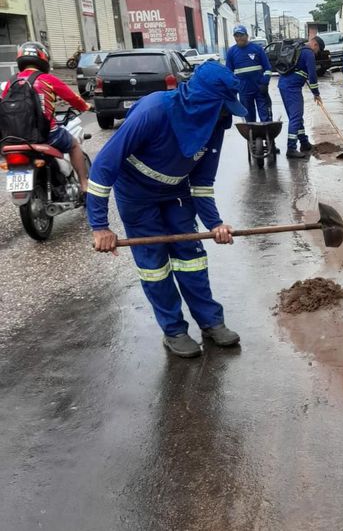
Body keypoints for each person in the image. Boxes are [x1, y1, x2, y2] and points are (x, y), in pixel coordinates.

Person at [87, 62, 248, 358]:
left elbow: (202, 181)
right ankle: (173, 330)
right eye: (222, 106)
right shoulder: (154, 111)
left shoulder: (213, 123)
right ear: (202, 101)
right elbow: (103, 166)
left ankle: (211, 322)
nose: (226, 114)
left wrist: (215, 223)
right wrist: (99, 226)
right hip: (137, 196)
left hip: (176, 193)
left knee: (191, 258)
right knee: (155, 264)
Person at [2, 42, 90, 192]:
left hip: (14, 137)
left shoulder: (11, 81)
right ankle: (84, 184)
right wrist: (86, 106)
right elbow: (73, 98)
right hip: (47, 136)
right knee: (74, 145)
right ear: (43, 59)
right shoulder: (47, 79)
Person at [278, 35, 323, 159]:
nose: (317, 53)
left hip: (284, 85)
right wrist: (316, 94)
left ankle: (304, 143)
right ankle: (291, 148)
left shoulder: (299, 49)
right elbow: (313, 75)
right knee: (296, 117)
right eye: (318, 50)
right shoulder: (309, 54)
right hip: (291, 88)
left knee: (296, 116)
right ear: (315, 45)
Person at [225, 24, 273, 123]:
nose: (239, 38)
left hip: (259, 89)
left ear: (246, 36)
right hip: (244, 91)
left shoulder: (257, 49)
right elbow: (228, 73)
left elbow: (267, 68)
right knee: (249, 119)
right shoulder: (231, 52)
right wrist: (232, 89)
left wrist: (265, 83)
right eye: (236, 36)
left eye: (241, 35)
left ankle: (268, 137)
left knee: (265, 117)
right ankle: (252, 138)